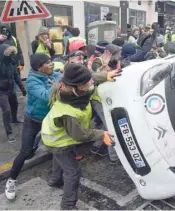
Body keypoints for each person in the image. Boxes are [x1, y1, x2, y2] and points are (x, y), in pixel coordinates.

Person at [42, 63, 118, 210]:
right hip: (58, 143)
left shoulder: (73, 92)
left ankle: (54, 180)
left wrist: (104, 76)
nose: (91, 83)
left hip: (53, 137)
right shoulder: (69, 112)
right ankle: (68, 206)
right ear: (78, 87)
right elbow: (79, 135)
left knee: (59, 159)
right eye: (88, 82)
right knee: (73, 173)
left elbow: (89, 78)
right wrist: (101, 134)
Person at [5, 53, 60, 200]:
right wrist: (60, 84)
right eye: (48, 63)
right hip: (33, 120)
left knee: (59, 147)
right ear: (39, 67)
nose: (51, 64)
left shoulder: (53, 75)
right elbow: (46, 95)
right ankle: (11, 180)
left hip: (50, 119)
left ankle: (57, 175)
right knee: (25, 152)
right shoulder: (32, 81)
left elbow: (65, 78)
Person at [90, 44, 121, 163]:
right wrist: (104, 66)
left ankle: (96, 147)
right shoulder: (97, 62)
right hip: (98, 99)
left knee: (106, 123)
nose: (119, 57)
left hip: (106, 97)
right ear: (110, 53)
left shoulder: (113, 62)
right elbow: (95, 78)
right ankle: (114, 157)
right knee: (110, 127)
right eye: (118, 54)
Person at [0, 44, 26, 143]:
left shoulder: (12, 63)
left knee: (14, 104)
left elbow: (16, 76)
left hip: (10, 88)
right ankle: (9, 132)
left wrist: (22, 88)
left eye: (12, 53)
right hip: (1, 91)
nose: (11, 56)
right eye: (9, 54)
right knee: (6, 110)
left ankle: (14, 119)